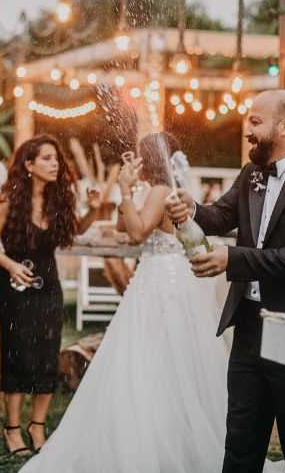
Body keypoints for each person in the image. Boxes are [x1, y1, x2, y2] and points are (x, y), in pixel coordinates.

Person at [16, 132, 226, 472]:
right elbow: (125, 229)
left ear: (150, 161)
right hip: (157, 277)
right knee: (155, 358)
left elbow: (140, 231)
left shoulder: (159, 191)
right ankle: (164, 434)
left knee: (155, 357)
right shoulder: (157, 191)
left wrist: (127, 191)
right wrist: (123, 193)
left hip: (162, 281)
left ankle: (161, 440)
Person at [166, 89, 285, 473]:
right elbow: (220, 215)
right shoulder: (252, 173)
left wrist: (232, 259)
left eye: (254, 121)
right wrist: (192, 208)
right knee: (241, 443)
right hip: (249, 326)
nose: (247, 129)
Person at [0, 135, 100, 456]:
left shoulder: (59, 200)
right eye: (46, 158)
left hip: (49, 285)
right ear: (29, 165)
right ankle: (12, 428)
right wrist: (10, 266)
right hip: (15, 287)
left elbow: (70, 236)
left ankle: (37, 425)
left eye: (56, 158)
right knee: (18, 354)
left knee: (47, 354)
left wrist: (93, 209)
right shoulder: (9, 200)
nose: (54, 164)